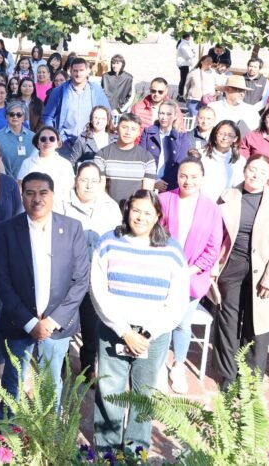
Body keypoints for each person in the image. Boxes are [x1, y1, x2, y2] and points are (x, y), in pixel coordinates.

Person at [90, 189, 190, 453]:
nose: (141, 217)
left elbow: (178, 299)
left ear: (158, 215)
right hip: (114, 331)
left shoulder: (172, 249)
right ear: (127, 211)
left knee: (143, 394)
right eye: (136, 210)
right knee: (110, 391)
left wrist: (147, 333)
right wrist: (125, 332)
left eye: (148, 212)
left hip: (153, 338)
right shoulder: (108, 242)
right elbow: (98, 291)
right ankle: (107, 451)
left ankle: (135, 451)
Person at [0, 172, 89, 409]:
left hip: (56, 326)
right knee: (12, 382)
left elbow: (80, 280)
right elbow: (3, 281)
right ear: (22, 196)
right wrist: (29, 322)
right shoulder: (7, 230)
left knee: (51, 383)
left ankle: (51, 441)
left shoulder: (72, 228)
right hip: (18, 322)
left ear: (53, 196)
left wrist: (52, 321)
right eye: (30, 193)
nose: (36, 199)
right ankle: (6, 440)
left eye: (43, 193)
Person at [212, 154, 269, 390]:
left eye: (262, 171)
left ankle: (249, 376)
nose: (255, 174)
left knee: (256, 324)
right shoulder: (228, 196)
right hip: (231, 265)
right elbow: (216, 233)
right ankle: (226, 373)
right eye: (252, 169)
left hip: (262, 269)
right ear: (244, 170)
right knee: (228, 321)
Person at [158, 158, 223, 394]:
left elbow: (213, 247)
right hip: (163, 273)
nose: (188, 180)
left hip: (192, 277)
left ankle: (178, 365)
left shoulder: (211, 208)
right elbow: (153, 235)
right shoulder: (164, 200)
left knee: (182, 324)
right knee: (162, 322)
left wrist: (189, 271)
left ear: (202, 179)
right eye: (184, 175)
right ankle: (157, 366)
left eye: (194, 176)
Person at [63, 162, 122, 374]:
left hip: (96, 276)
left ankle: (88, 367)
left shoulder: (111, 207)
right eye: (83, 180)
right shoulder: (62, 203)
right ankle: (61, 366)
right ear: (75, 180)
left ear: (101, 183)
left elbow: (116, 243)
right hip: (66, 277)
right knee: (63, 322)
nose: (88, 185)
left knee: (91, 325)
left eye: (93, 181)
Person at [42, 58, 111, 150]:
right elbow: (48, 117)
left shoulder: (96, 91)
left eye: (81, 70)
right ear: (70, 71)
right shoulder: (59, 92)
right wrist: (56, 137)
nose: (78, 74)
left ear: (87, 71)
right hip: (65, 143)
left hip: (91, 143)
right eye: (75, 71)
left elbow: (108, 114)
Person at [94, 114, 156, 205]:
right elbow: (100, 190)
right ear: (117, 128)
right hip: (108, 209)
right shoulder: (102, 155)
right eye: (124, 127)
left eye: (133, 129)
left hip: (134, 209)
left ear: (139, 132)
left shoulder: (147, 158)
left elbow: (146, 193)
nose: (128, 132)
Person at [17, 126, 74, 213]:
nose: (47, 142)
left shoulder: (66, 165)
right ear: (37, 143)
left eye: (52, 139)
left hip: (58, 211)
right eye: (43, 139)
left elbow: (69, 192)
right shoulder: (27, 163)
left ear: (58, 143)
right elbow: (20, 189)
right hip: (32, 211)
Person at [139, 99, 191, 192]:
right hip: (148, 183)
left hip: (170, 186)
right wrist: (155, 181)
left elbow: (181, 163)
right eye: (161, 113)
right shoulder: (148, 132)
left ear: (175, 116)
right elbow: (141, 158)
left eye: (168, 114)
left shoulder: (182, 137)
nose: (164, 117)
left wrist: (165, 184)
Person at [200, 120, 246, 201]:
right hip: (201, 202)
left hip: (224, 205)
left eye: (230, 135)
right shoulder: (201, 155)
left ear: (235, 139)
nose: (225, 138)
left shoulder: (239, 161)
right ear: (215, 134)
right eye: (221, 134)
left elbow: (238, 187)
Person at [0, 100, 36, 178]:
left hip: (29, 181)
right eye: (11, 114)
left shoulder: (33, 137)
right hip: (5, 181)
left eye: (19, 114)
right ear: (6, 117)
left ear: (24, 117)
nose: (15, 117)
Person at [176, 33, 196, 99]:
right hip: (183, 64)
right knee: (183, 80)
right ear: (187, 37)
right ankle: (180, 95)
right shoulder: (184, 45)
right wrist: (193, 53)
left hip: (183, 64)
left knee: (183, 80)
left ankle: (180, 95)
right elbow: (188, 56)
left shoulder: (183, 43)